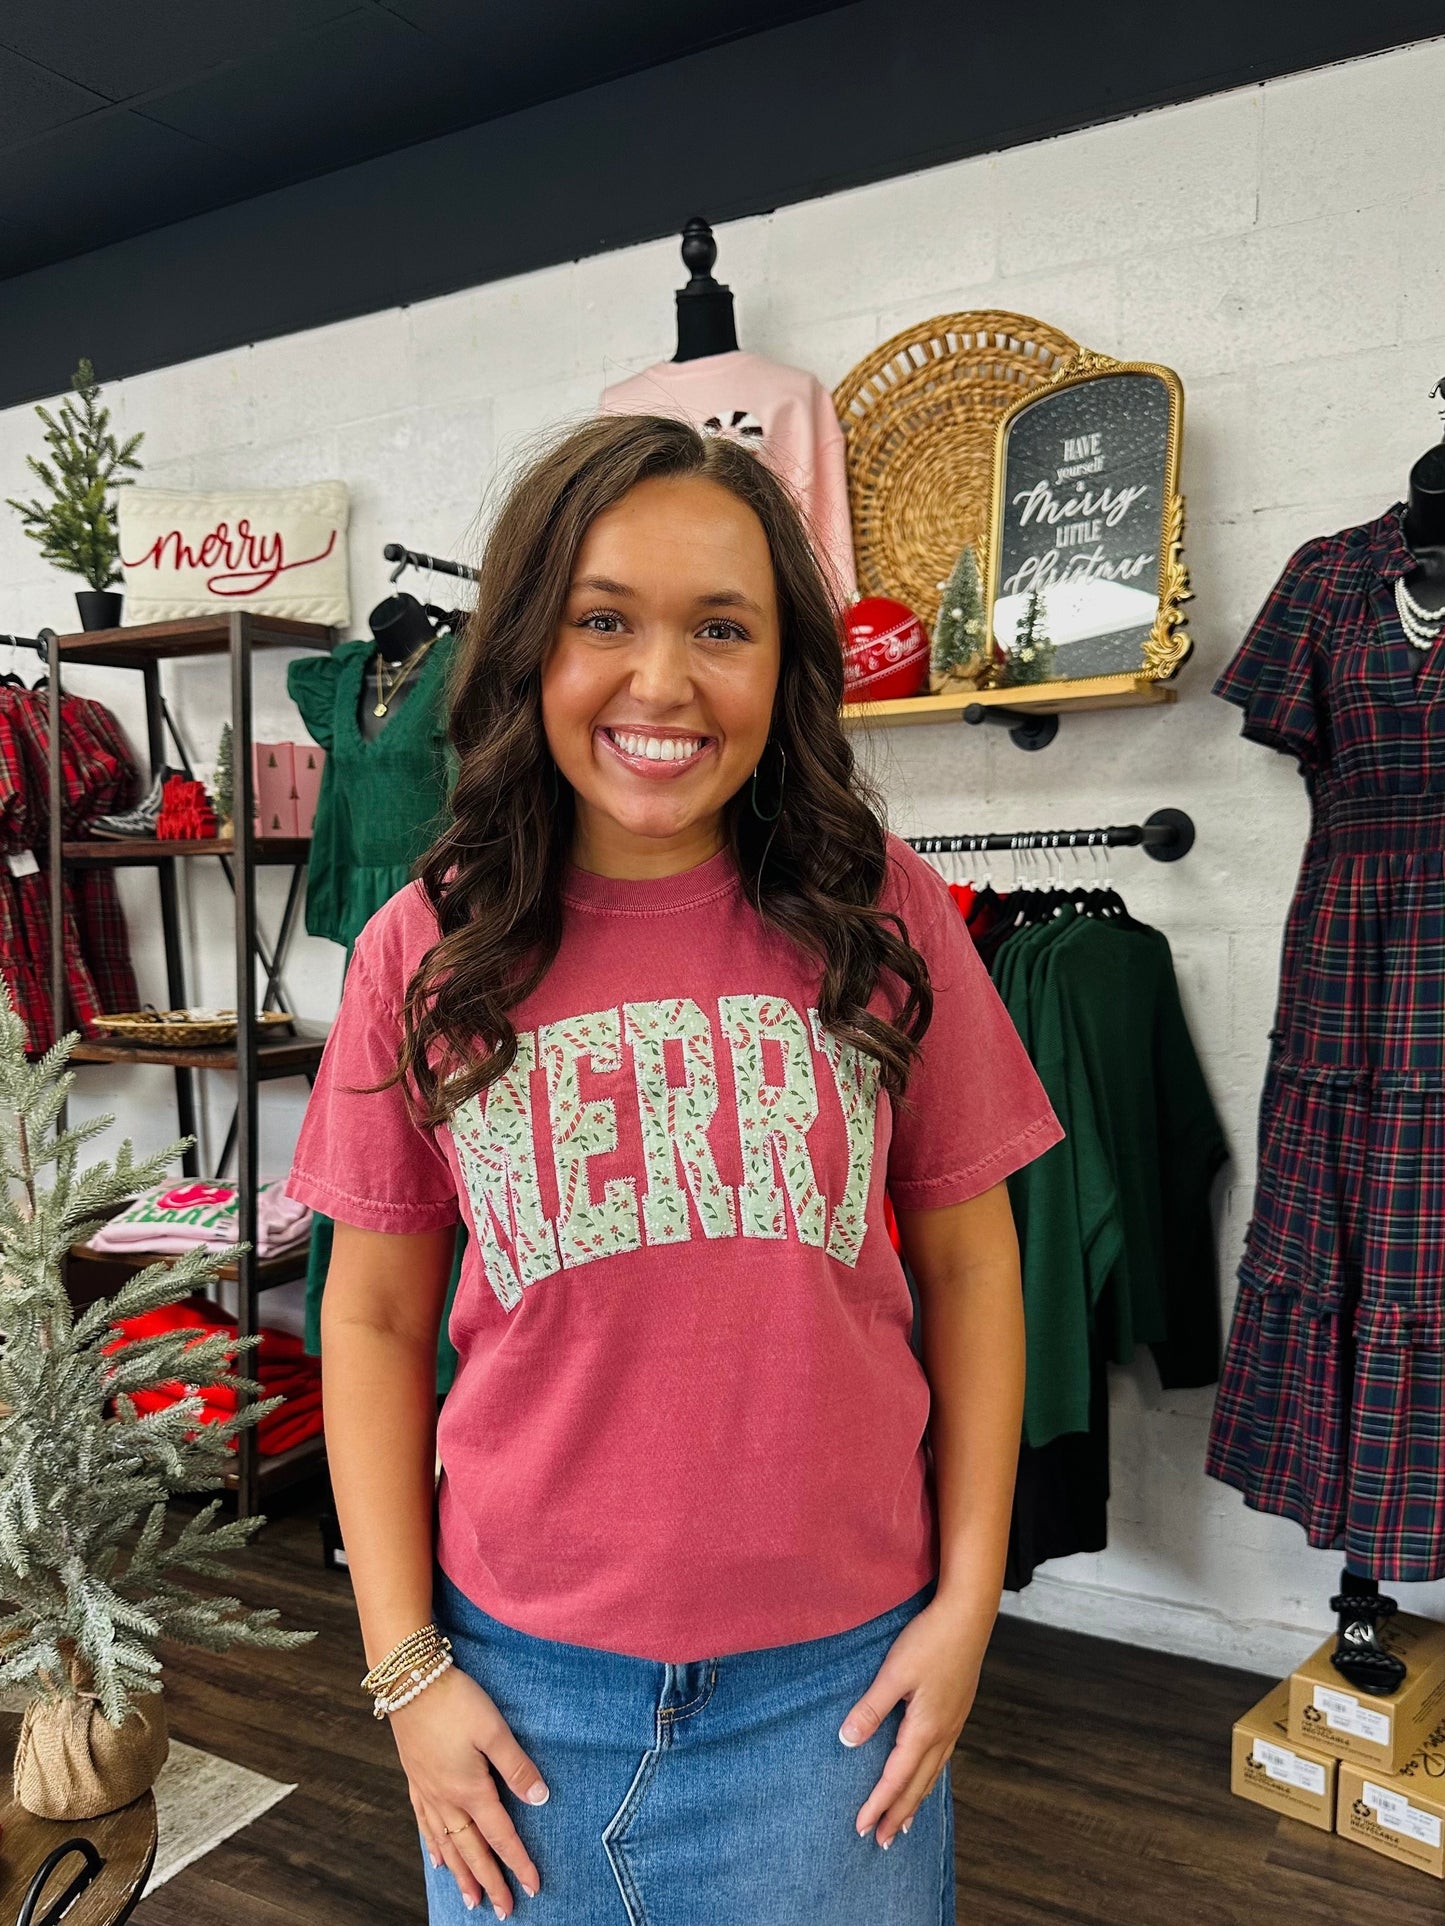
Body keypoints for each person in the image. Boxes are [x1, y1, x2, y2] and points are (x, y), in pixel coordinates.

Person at [286, 412, 1063, 1924]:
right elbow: (371, 1319)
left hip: (837, 1705)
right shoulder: (425, 947)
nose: (661, 681)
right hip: (516, 1708)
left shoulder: (880, 910)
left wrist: (968, 1604)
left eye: (722, 626)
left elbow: (973, 1262)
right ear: (527, 650)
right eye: (602, 620)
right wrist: (403, 1676)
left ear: (784, 668)